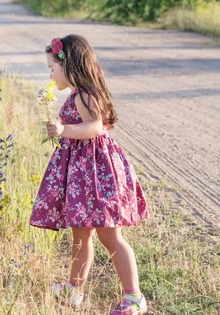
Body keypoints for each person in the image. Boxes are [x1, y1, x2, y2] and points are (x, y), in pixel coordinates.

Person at [29, 35, 149, 314]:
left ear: (68, 66)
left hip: (97, 176)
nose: (50, 74)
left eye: (52, 68)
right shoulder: (78, 94)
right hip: (85, 176)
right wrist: (62, 126)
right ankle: (75, 289)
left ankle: (134, 297)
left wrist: (63, 130)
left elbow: (94, 128)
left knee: (110, 237)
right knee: (80, 236)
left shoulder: (84, 95)